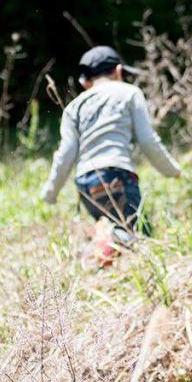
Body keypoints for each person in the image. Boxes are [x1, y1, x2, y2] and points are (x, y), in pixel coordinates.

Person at [40, 45, 181, 250]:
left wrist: (50, 192)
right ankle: (106, 238)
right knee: (142, 239)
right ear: (118, 71)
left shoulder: (73, 107)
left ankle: (101, 241)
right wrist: (172, 170)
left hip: (86, 184)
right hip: (118, 176)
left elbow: (66, 154)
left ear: (86, 81)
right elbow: (148, 140)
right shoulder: (129, 93)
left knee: (120, 234)